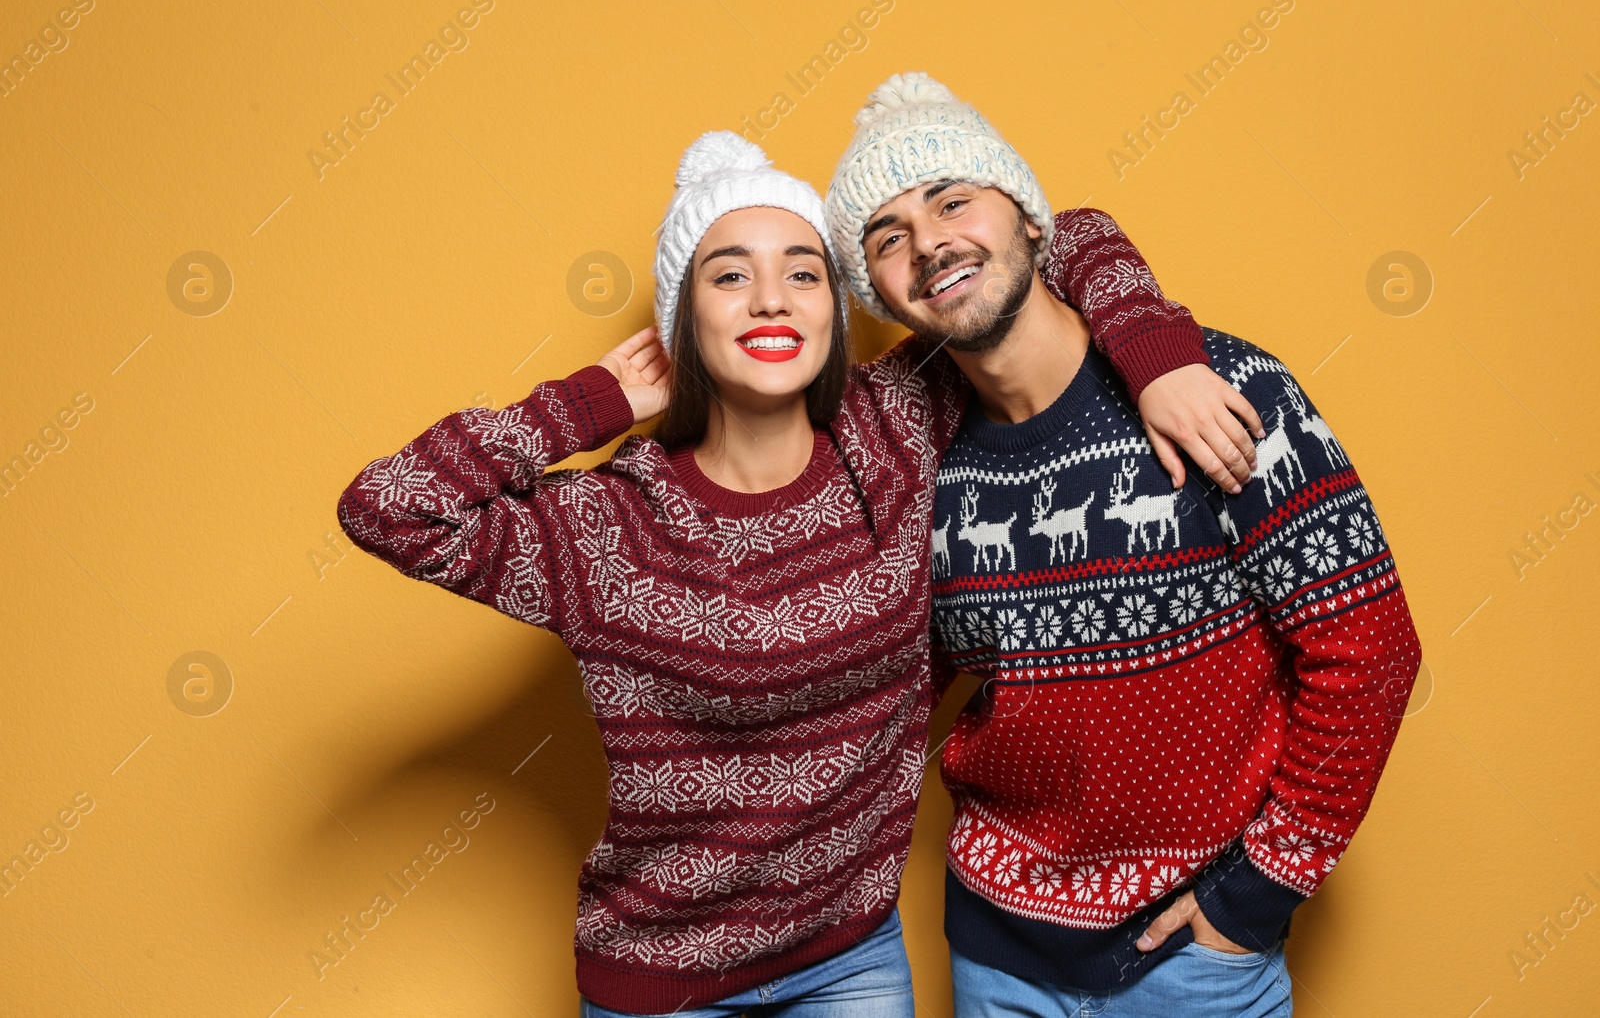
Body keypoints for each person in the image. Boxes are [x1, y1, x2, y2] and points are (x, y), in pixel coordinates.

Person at [336, 129, 1252, 1017]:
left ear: (833, 309)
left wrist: (1156, 358)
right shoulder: (609, 524)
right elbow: (388, 507)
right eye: (730, 274)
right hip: (663, 983)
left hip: (850, 960)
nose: (771, 299)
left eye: (803, 273)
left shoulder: (892, 425)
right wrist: (597, 399)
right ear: (682, 319)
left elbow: (1062, 233)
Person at [824, 72, 1424, 1016]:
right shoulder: (917, 463)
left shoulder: (1220, 391)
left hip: (1197, 960)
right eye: (887, 238)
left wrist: (1259, 893)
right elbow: (889, 682)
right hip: (996, 951)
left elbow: (1372, 651)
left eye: (952, 201)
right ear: (883, 294)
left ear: (1028, 222)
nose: (929, 242)